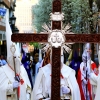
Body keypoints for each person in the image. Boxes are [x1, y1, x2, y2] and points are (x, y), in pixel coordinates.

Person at [0, 18, 31, 100]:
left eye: (18, 57)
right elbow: (1, 89)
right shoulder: (2, 70)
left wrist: (28, 94)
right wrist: (11, 87)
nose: (16, 59)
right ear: (9, 58)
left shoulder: (22, 70)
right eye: (14, 57)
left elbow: (28, 86)